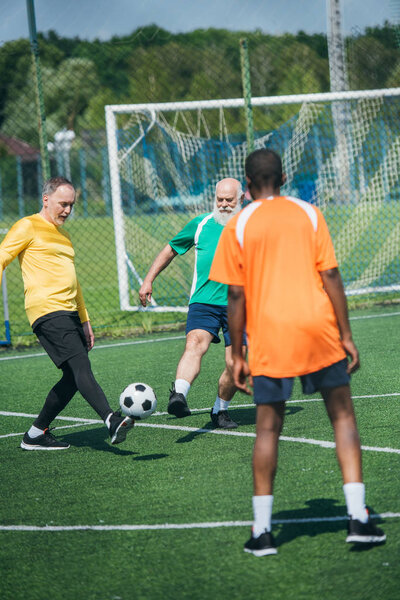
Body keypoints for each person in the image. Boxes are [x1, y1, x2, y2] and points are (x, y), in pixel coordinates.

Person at [210, 149, 386, 555]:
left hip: (270, 336)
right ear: (284, 177)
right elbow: (332, 276)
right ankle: (358, 518)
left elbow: (235, 296)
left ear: (248, 185)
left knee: (268, 428)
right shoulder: (310, 214)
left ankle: (263, 532)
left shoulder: (238, 223)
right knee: (342, 417)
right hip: (318, 329)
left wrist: (238, 353)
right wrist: (346, 334)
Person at [0, 177, 134, 450]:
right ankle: (110, 418)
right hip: (46, 310)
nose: (68, 211)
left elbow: (75, 281)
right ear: (46, 199)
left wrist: (85, 320)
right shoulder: (27, 226)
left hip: (70, 312)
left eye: (72, 205)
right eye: (63, 204)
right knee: (81, 367)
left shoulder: (65, 235)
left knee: (73, 377)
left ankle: (35, 434)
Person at [139, 178, 245, 429]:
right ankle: (179, 394)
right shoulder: (200, 224)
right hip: (204, 301)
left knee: (236, 363)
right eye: (220, 199)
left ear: (241, 199)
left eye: (229, 200)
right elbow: (170, 250)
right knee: (195, 343)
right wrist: (148, 280)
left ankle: (220, 410)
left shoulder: (252, 227)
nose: (224, 204)